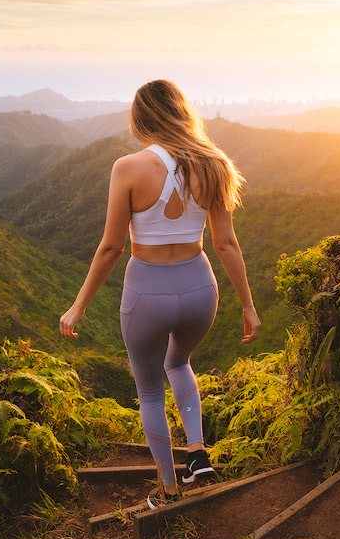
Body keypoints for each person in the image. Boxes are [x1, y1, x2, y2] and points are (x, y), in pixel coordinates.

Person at [60, 79, 260, 508]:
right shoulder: (214, 164)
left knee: (150, 391)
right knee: (180, 361)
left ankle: (168, 491)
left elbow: (112, 247)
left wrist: (78, 307)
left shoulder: (128, 168)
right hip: (200, 289)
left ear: (140, 119)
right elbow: (227, 243)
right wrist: (247, 305)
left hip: (148, 291)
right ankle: (198, 453)